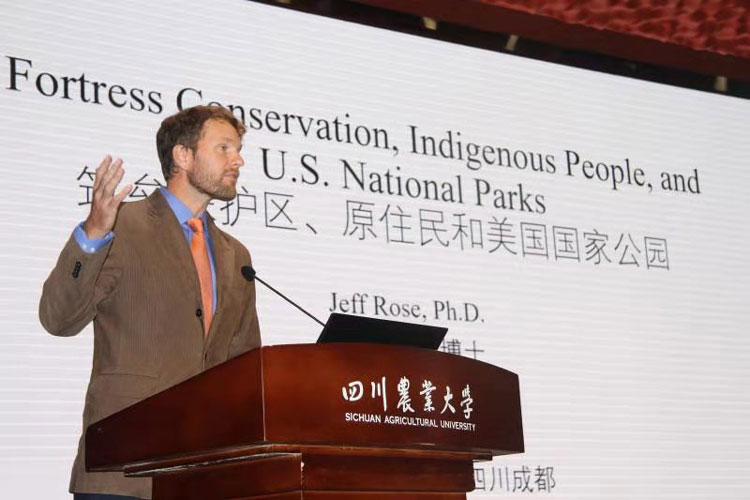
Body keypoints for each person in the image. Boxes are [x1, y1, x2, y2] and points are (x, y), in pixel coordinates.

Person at [39, 105, 261, 500]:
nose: (238, 160)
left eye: (238, 149)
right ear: (183, 156)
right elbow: (59, 318)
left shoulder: (235, 255)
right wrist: (91, 235)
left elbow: (244, 364)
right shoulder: (121, 227)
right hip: (123, 470)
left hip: (205, 476)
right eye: (224, 148)